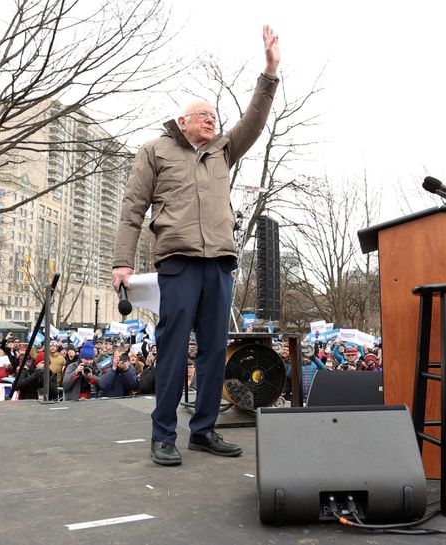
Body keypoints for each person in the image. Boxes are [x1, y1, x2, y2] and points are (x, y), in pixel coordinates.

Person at [110, 25, 281, 466]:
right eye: (203, 115)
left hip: (219, 263)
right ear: (182, 122)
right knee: (171, 349)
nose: (212, 120)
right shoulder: (155, 150)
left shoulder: (224, 150)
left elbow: (255, 120)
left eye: (214, 116)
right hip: (178, 262)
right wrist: (121, 263)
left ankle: (203, 431)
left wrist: (270, 71)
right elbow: (132, 208)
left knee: (213, 350)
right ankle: (163, 434)